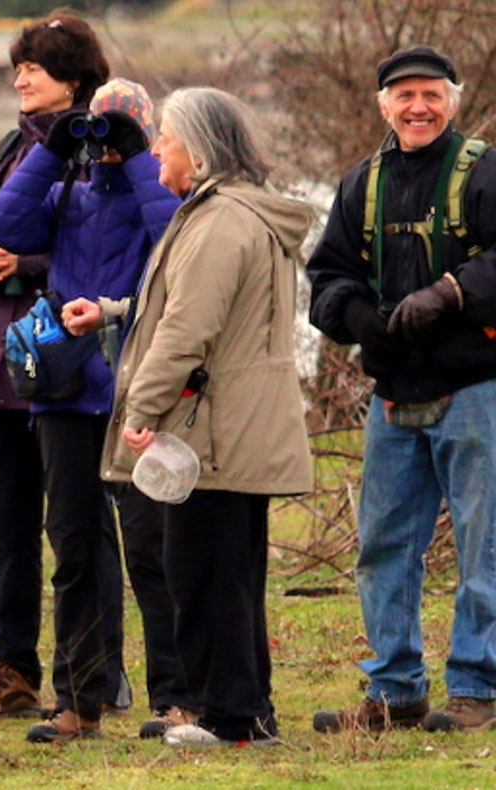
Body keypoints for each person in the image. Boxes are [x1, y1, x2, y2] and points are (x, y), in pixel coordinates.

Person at [68, 86, 313, 746]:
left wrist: (139, 411)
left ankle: (229, 717)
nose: (155, 152)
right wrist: (117, 315)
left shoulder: (220, 222)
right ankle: (244, 711)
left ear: (199, 153)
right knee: (226, 571)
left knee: (205, 573)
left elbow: (187, 330)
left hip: (216, 433)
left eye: (166, 141)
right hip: (230, 425)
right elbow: (190, 313)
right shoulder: (221, 214)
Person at [0, 75, 181, 742]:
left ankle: (174, 698)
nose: (106, 139)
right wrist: (52, 148)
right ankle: (79, 698)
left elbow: (172, 236)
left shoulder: (160, 190)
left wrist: (140, 159)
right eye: (100, 125)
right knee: (72, 545)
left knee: (153, 547)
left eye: (119, 126)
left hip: (139, 387)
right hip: (67, 390)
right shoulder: (69, 188)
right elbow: (3, 226)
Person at [308, 45, 496, 734]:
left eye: (431, 94)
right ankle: (395, 693)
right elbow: (325, 279)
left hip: (478, 390)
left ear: (454, 99)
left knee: (486, 545)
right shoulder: (363, 183)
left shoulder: (484, 172)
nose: (418, 107)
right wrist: (363, 320)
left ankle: (478, 690)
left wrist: (449, 293)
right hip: (392, 396)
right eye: (404, 95)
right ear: (383, 105)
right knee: (383, 546)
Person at [0, 11, 104, 723]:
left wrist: (26, 262)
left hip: (64, 357)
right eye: (18, 68)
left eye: (33, 68)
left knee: (75, 528)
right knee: (6, 526)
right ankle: (12, 674)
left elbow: (105, 243)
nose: (19, 79)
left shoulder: (98, 148)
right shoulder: (9, 145)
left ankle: (93, 677)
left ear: (72, 79)